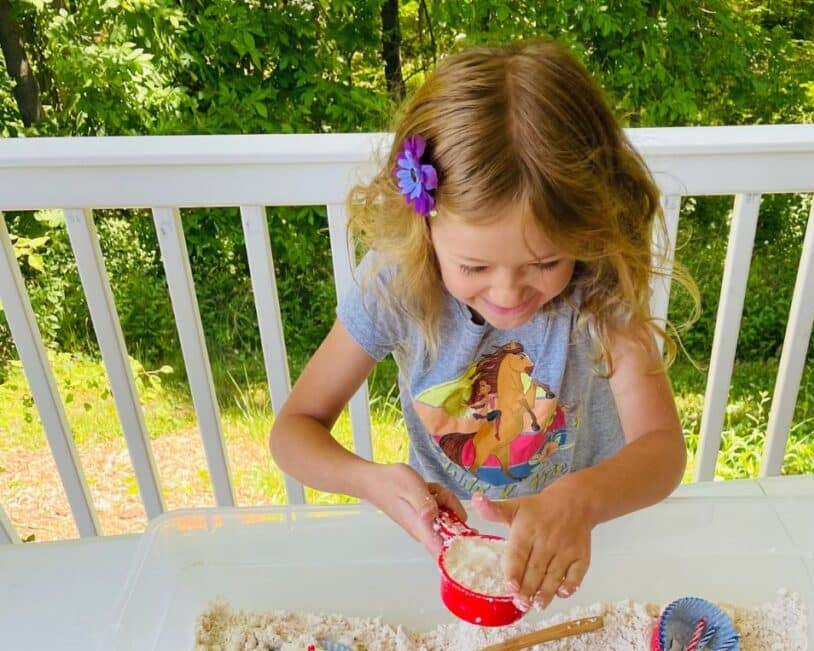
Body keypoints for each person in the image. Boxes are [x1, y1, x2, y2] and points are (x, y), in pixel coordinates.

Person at [270, 40, 698, 614]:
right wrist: (370, 481)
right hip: (443, 550)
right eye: (473, 266)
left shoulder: (599, 290)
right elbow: (294, 429)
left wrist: (579, 501)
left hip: (583, 548)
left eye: (545, 263)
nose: (507, 293)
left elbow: (662, 451)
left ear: (586, 231)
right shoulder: (399, 281)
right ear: (426, 231)